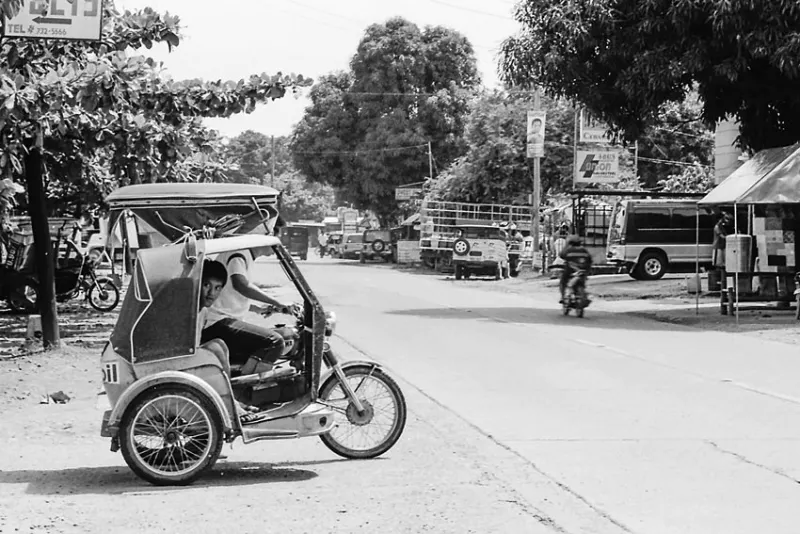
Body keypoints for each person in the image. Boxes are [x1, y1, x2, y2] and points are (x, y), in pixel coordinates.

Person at [201, 245, 297, 377]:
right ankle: (251, 390)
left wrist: (258, 308)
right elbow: (240, 284)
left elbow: (228, 296)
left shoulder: (245, 256)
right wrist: (277, 302)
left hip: (220, 320)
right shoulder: (239, 255)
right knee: (274, 342)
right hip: (217, 322)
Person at [558, 235, 593, 303]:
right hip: (583, 271)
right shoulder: (584, 250)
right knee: (583, 281)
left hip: (571, 271)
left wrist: (566, 246)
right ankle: (583, 295)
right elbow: (590, 260)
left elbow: (561, 255)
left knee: (563, 282)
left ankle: (563, 297)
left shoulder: (568, 250)